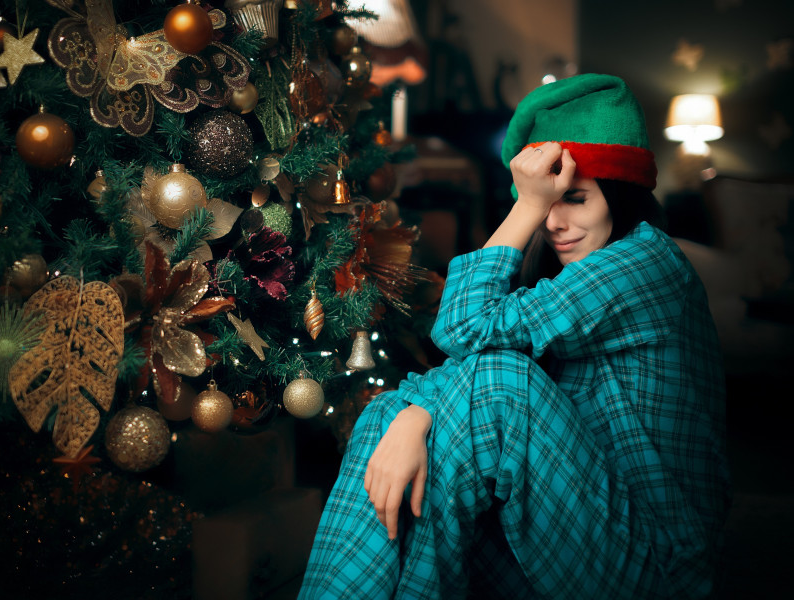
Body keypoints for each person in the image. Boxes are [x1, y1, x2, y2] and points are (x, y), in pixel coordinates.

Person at [298, 74, 730, 599]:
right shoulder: (563, 280)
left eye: (575, 198)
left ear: (620, 196)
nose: (554, 223)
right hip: (568, 529)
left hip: (653, 566)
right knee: (393, 417)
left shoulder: (646, 262)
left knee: (500, 380)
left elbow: (460, 328)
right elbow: (472, 350)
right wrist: (414, 412)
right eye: (543, 204)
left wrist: (524, 206)